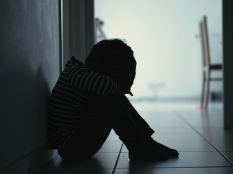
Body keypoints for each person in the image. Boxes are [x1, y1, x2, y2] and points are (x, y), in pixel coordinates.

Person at [48, 39, 179, 161]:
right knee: (108, 98)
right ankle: (138, 146)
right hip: (71, 148)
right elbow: (106, 86)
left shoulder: (84, 74)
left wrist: (120, 88)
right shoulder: (76, 73)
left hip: (78, 142)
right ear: (98, 66)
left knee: (113, 95)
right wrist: (121, 87)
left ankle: (145, 141)